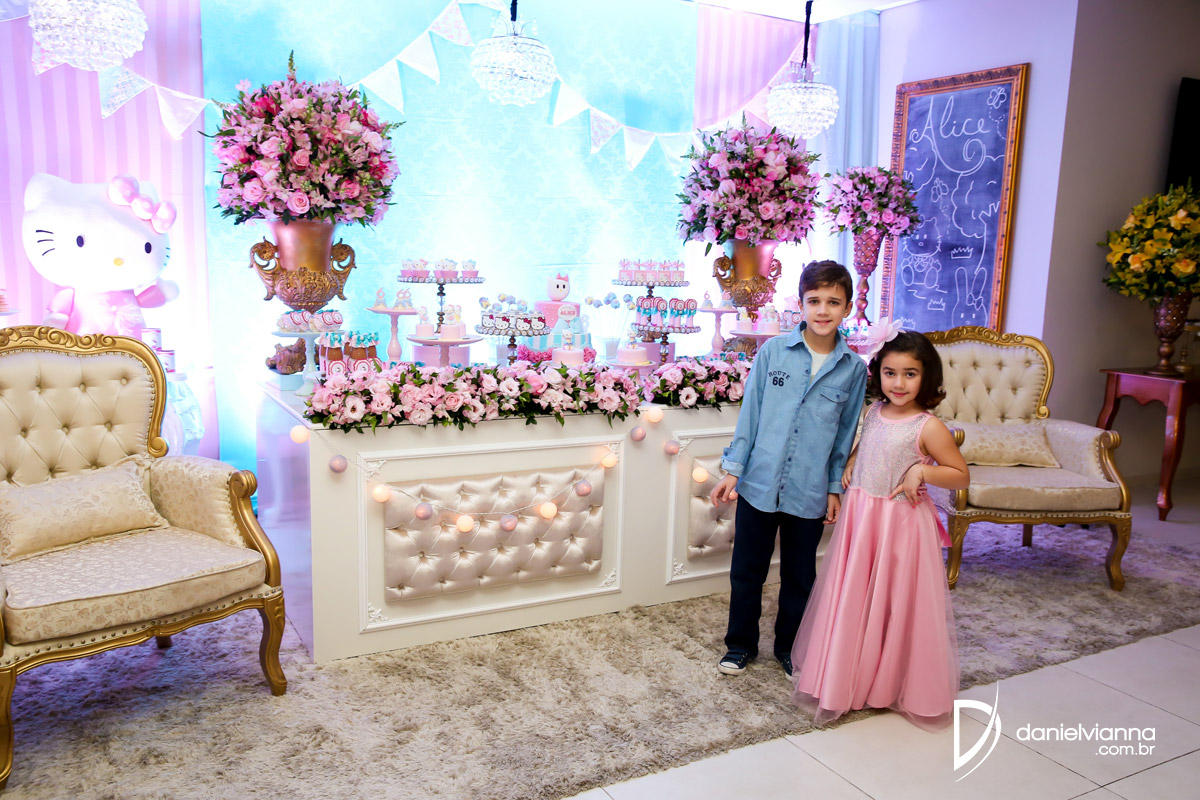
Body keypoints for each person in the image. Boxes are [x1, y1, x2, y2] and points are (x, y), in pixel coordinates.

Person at [790, 326, 969, 729]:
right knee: (856, 592)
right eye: (890, 373)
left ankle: (890, 680)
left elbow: (960, 475)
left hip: (900, 522)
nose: (899, 383)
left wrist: (922, 471)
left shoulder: (928, 426)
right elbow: (871, 444)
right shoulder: (873, 412)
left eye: (910, 374)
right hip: (863, 516)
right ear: (878, 374)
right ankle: (851, 673)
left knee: (894, 599)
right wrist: (853, 459)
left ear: (927, 377)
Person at [710, 260, 868, 677]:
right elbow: (751, 415)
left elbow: (845, 435)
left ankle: (790, 648)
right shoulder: (773, 352)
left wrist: (834, 487)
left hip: (809, 489)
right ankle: (740, 645)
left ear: (847, 308)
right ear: (800, 304)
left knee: (800, 577)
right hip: (759, 482)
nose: (822, 310)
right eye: (814, 300)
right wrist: (733, 469)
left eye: (833, 302)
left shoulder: (853, 370)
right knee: (747, 571)